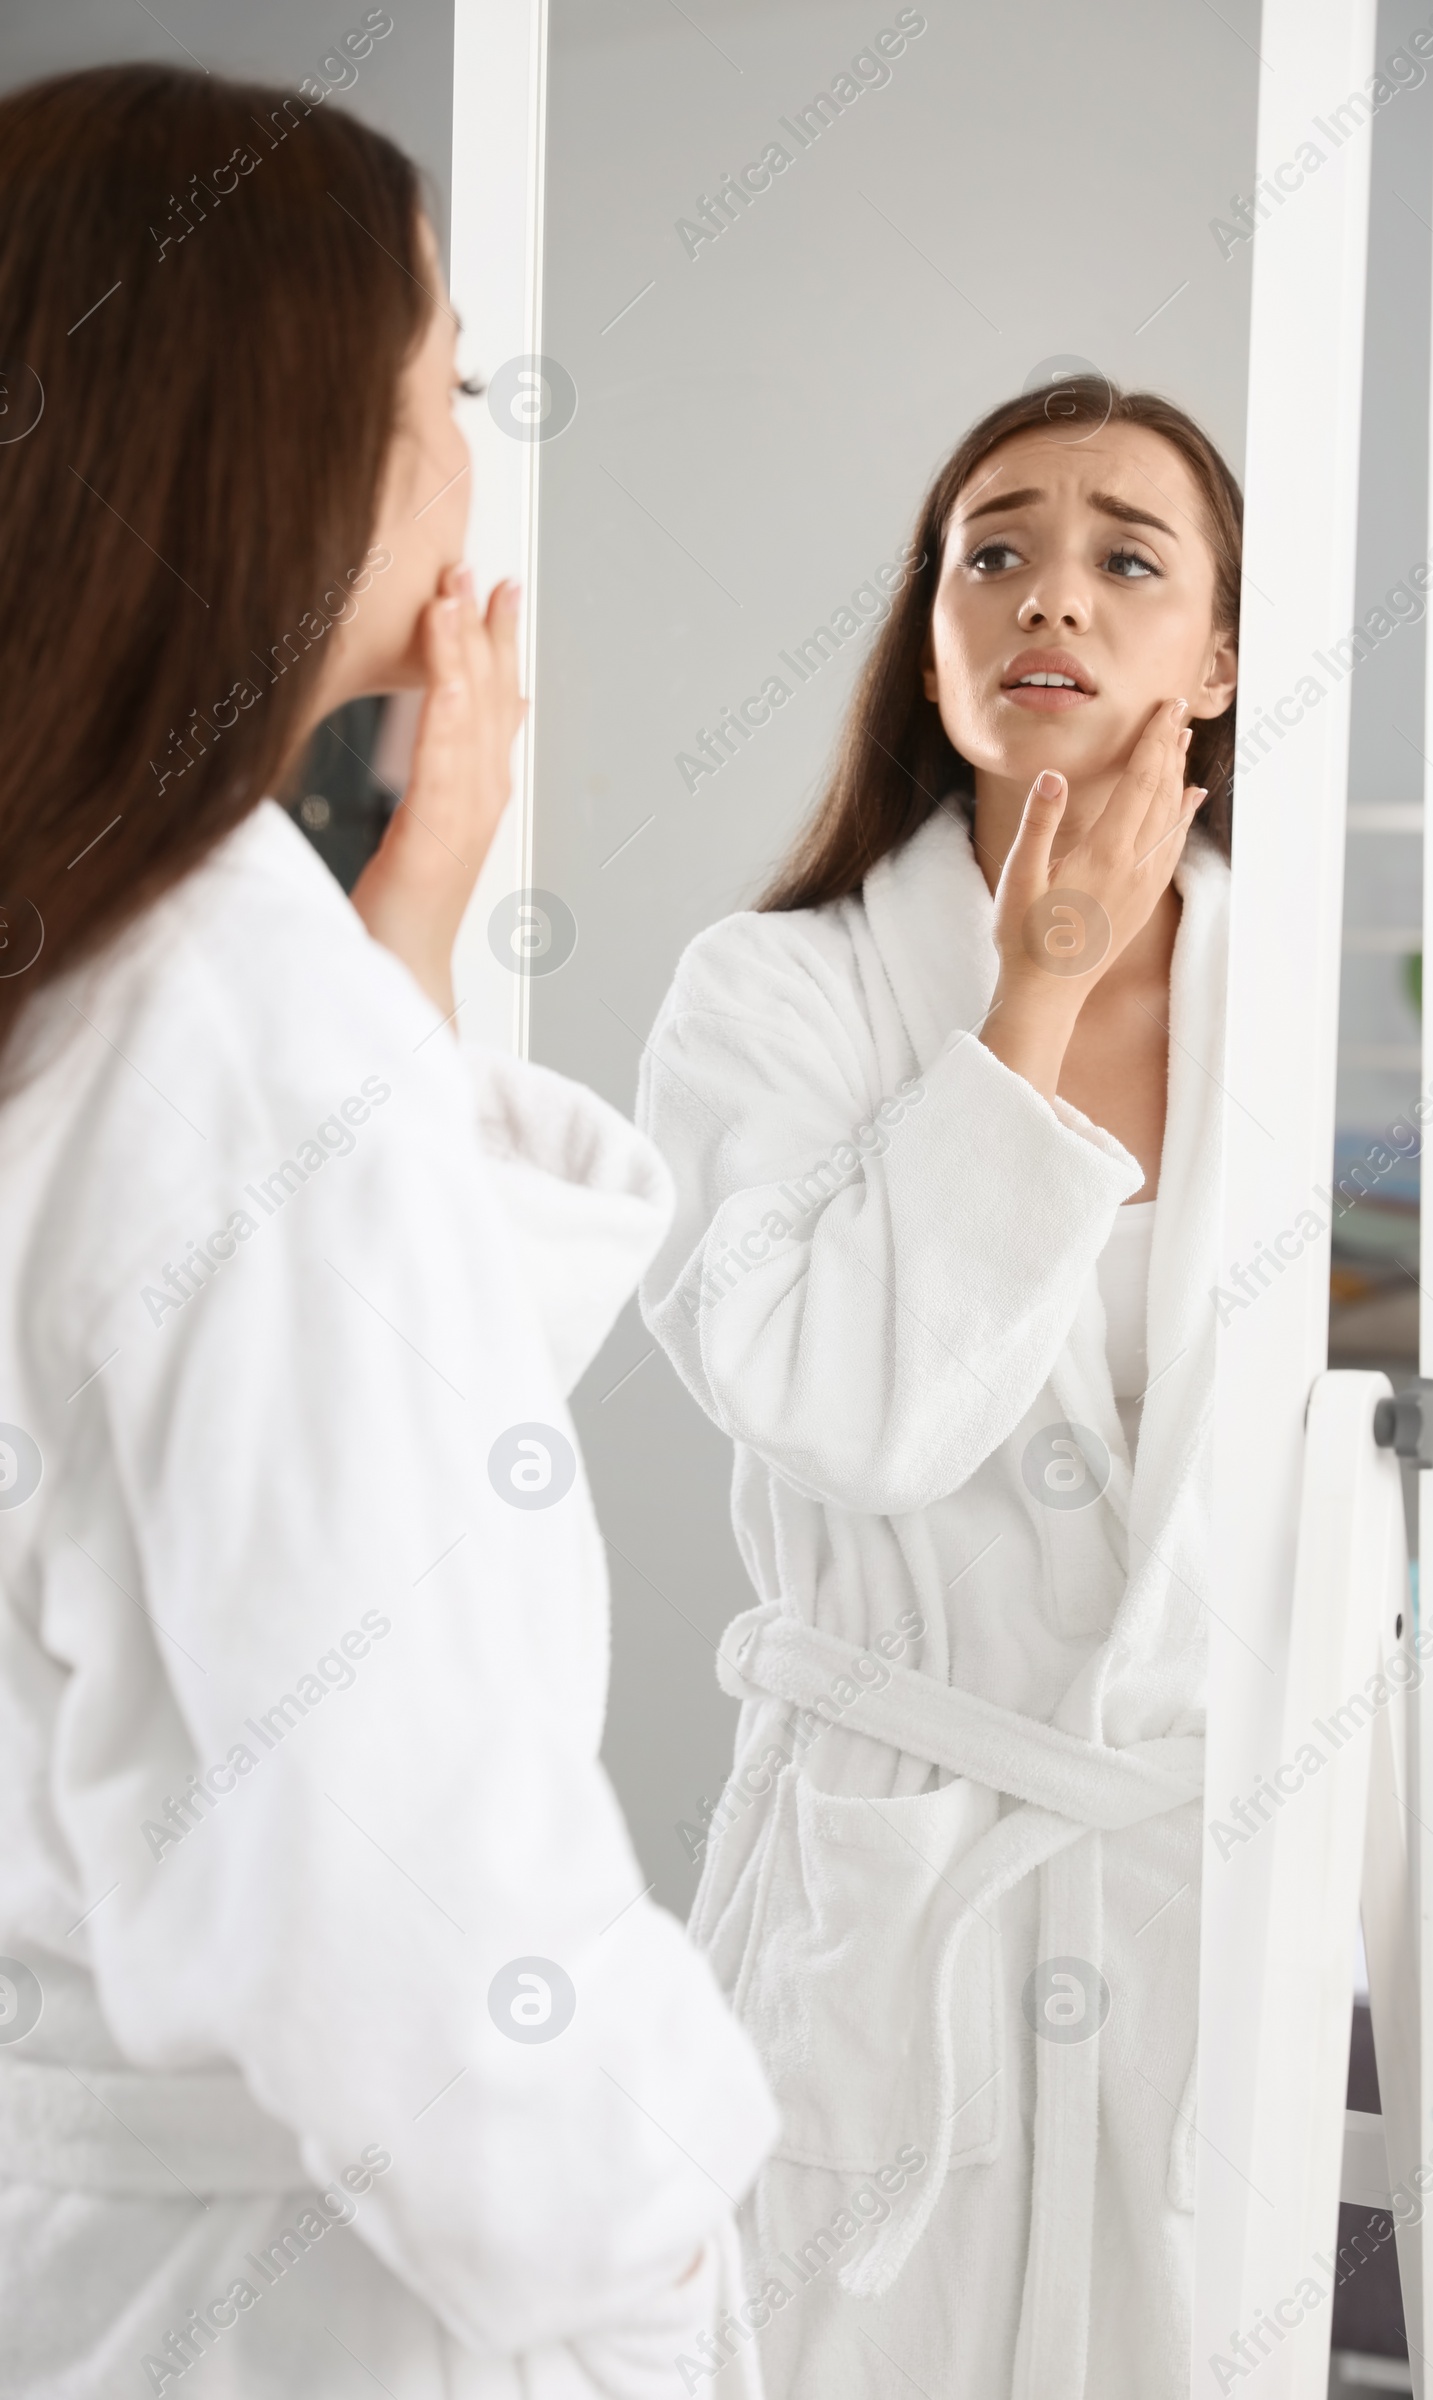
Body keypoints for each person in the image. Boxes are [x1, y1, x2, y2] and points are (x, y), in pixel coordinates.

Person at [0, 64, 775, 2399]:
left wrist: (395, 932)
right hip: (314, 2298)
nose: (462, 456)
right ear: (275, 449)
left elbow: (210, 1502)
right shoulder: (237, 1034)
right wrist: (644, 2273)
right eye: (437, 388)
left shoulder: (120, 968)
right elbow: (404, 1880)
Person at [636, 379, 1240, 2398]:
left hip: (1202, 1891)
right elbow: (843, 1409)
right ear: (930, 638)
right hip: (884, 1903)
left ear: (1216, 655)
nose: (1044, 596)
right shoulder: (773, 992)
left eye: (1121, 559)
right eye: (991, 551)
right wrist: (1037, 992)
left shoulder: (1313, 1012)